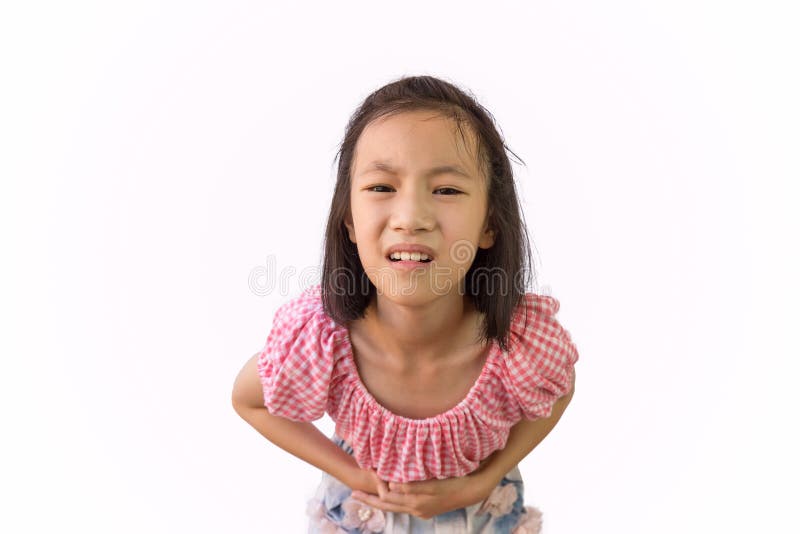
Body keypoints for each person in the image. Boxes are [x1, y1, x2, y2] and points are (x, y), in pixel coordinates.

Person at [231, 75, 580, 533]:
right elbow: (249, 401)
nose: (411, 217)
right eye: (381, 187)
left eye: (447, 190)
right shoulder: (319, 343)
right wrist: (350, 472)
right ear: (349, 222)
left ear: (489, 226)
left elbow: (561, 390)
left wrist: (486, 478)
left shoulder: (519, 345)